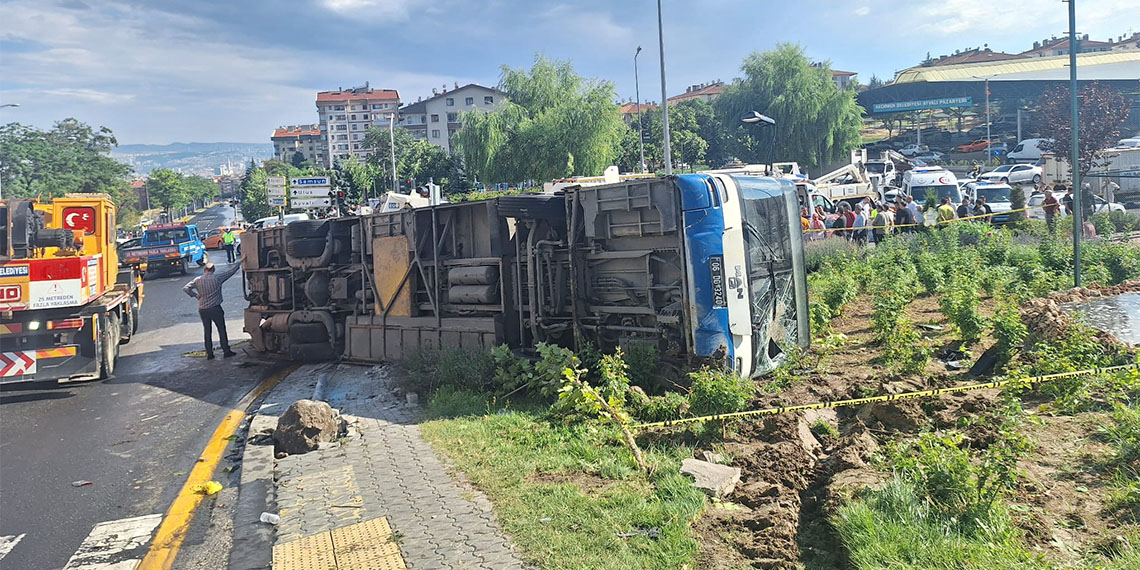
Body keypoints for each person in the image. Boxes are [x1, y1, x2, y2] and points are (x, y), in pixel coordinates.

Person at [183, 262, 242, 359]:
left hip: (203, 309)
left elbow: (185, 288)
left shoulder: (198, 280)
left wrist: (195, 295)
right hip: (215, 308)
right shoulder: (217, 278)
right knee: (221, 329)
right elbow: (230, 272)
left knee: (207, 331)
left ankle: (210, 354)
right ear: (213, 270)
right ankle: (226, 351)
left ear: (204, 270)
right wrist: (240, 262)